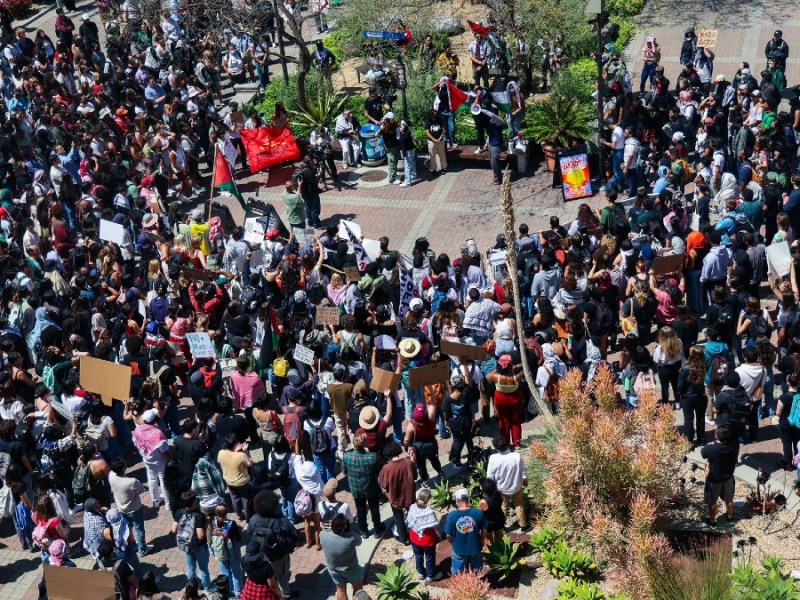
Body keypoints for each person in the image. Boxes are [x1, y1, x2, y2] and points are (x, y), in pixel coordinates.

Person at [248, 490, 298, 599]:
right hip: (278, 556)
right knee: (283, 576)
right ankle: (286, 595)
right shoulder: (280, 520)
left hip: (262, 556)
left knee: (269, 577)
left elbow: (249, 533)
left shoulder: (253, 519)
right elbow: (293, 532)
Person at [342, 433, 385, 538]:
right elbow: (378, 471)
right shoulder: (372, 457)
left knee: (360, 509)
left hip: (356, 489)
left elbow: (344, 471)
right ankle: (377, 529)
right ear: (365, 443)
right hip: (371, 488)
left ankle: (363, 531)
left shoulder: (347, 456)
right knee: (374, 509)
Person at [109, 457, 152, 557]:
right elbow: (141, 489)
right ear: (124, 468)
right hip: (134, 509)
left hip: (121, 508)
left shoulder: (111, 476)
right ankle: (142, 549)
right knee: (139, 529)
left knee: (127, 528)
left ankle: (132, 545)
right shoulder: (131, 481)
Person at [172, 490, 213, 591]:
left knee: (191, 567)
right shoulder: (199, 516)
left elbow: (173, 529)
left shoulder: (179, 512)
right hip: (199, 547)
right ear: (194, 502)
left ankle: (192, 586)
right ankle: (208, 587)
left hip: (187, 545)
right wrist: (206, 523)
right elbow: (200, 536)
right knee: (203, 569)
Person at [486, 435, 529, 530]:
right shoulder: (516, 456)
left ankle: (502, 525)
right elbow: (523, 472)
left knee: (503, 506)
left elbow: (489, 476)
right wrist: (525, 480)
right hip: (516, 486)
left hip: (501, 487)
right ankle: (523, 525)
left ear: (496, 447)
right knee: (519, 504)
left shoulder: (493, 458)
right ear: (507, 445)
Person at [378, 442, 417, 545]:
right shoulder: (408, 463)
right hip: (409, 495)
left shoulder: (386, 468)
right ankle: (416, 535)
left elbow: (382, 483)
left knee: (398, 518)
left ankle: (405, 539)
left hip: (395, 498)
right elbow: (416, 476)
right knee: (412, 515)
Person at [700, 426, 738, 526]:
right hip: (728, 478)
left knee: (712, 501)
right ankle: (730, 518)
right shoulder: (733, 447)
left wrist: (712, 444)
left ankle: (712, 521)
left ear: (716, 436)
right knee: (729, 499)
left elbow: (703, 453)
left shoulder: (711, 448)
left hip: (714, 480)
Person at [321, 514, 365, 600]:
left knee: (341, 591)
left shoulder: (322, 535)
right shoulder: (351, 538)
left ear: (331, 524)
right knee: (358, 590)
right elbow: (359, 541)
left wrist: (330, 524)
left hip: (334, 570)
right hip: (351, 570)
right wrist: (348, 531)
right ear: (345, 527)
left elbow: (323, 526)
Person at [445, 488, 487, 574]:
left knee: (457, 572)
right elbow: (484, 529)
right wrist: (482, 540)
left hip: (459, 550)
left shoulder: (451, 516)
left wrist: (454, 543)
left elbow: (448, 536)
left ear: (457, 500)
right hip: (475, 547)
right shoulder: (478, 513)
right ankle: (475, 581)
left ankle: (461, 584)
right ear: (468, 499)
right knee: (476, 569)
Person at [406, 487, 442, 583]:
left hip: (414, 537)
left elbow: (410, 522)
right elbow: (435, 525)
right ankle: (431, 576)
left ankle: (421, 573)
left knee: (418, 555)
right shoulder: (429, 511)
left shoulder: (412, 507)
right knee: (430, 557)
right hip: (427, 540)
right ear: (429, 499)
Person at [218, 433, 254, 522]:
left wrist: (234, 451)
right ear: (235, 445)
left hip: (229, 481)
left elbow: (222, 460)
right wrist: (245, 451)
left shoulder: (221, 453)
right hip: (242, 482)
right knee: (245, 500)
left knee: (235, 499)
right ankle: (248, 518)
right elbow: (250, 463)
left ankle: (239, 515)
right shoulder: (241, 456)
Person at [209, 504, 244, 597]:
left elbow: (210, 537)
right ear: (226, 513)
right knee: (236, 572)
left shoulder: (213, 523)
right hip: (232, 552)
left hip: (220, 553)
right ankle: (237, 592)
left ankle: (229, 590)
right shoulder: (231, 524)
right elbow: (238, 538)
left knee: (225, 572)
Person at [678, 346, 709, 447]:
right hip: (701, 395)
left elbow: (680, 386)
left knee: (688, 420)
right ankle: (702, 439)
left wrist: (680, 393)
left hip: (688, 397)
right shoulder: (704, 365)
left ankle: (689, 442)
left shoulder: (686, 368)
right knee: (700, 418)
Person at [478, 477, 505, 542]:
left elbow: (479, 514)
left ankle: (492, 548)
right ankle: (501, 548)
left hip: (489, 523)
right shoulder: (499, 494)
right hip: (499, 518)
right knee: (499, 536)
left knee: (489, 538)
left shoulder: (483, 502)